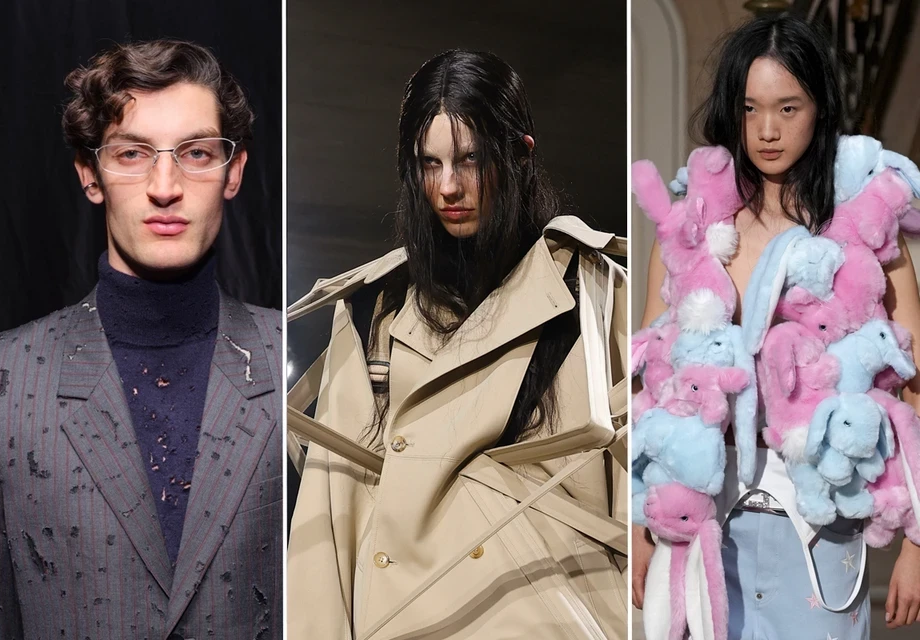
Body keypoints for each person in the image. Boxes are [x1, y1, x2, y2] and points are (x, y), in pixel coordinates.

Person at [286, 49, 629, 639]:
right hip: (406, 616)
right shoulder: (376, 308)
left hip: (555, 614)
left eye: (471, 159)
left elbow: (636, 497)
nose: (448, 186)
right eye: (430, 163)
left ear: (519, 155)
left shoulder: (595, 293)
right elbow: (329, 512)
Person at [0, 40, 282, 639]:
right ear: (90, 173)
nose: (165, 185)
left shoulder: (301, 368)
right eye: (132, 153)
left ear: (233, 172)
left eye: (196, 152)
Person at [632, 14, 920, 636]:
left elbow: (917, 385)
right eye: (750, 109)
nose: (767, 130)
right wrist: (636, 522)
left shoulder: (868, 231)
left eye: (788, 108)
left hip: (820, 530)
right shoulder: (692, 231)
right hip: (703, 530)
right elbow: (651, 386)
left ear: (820, 109)